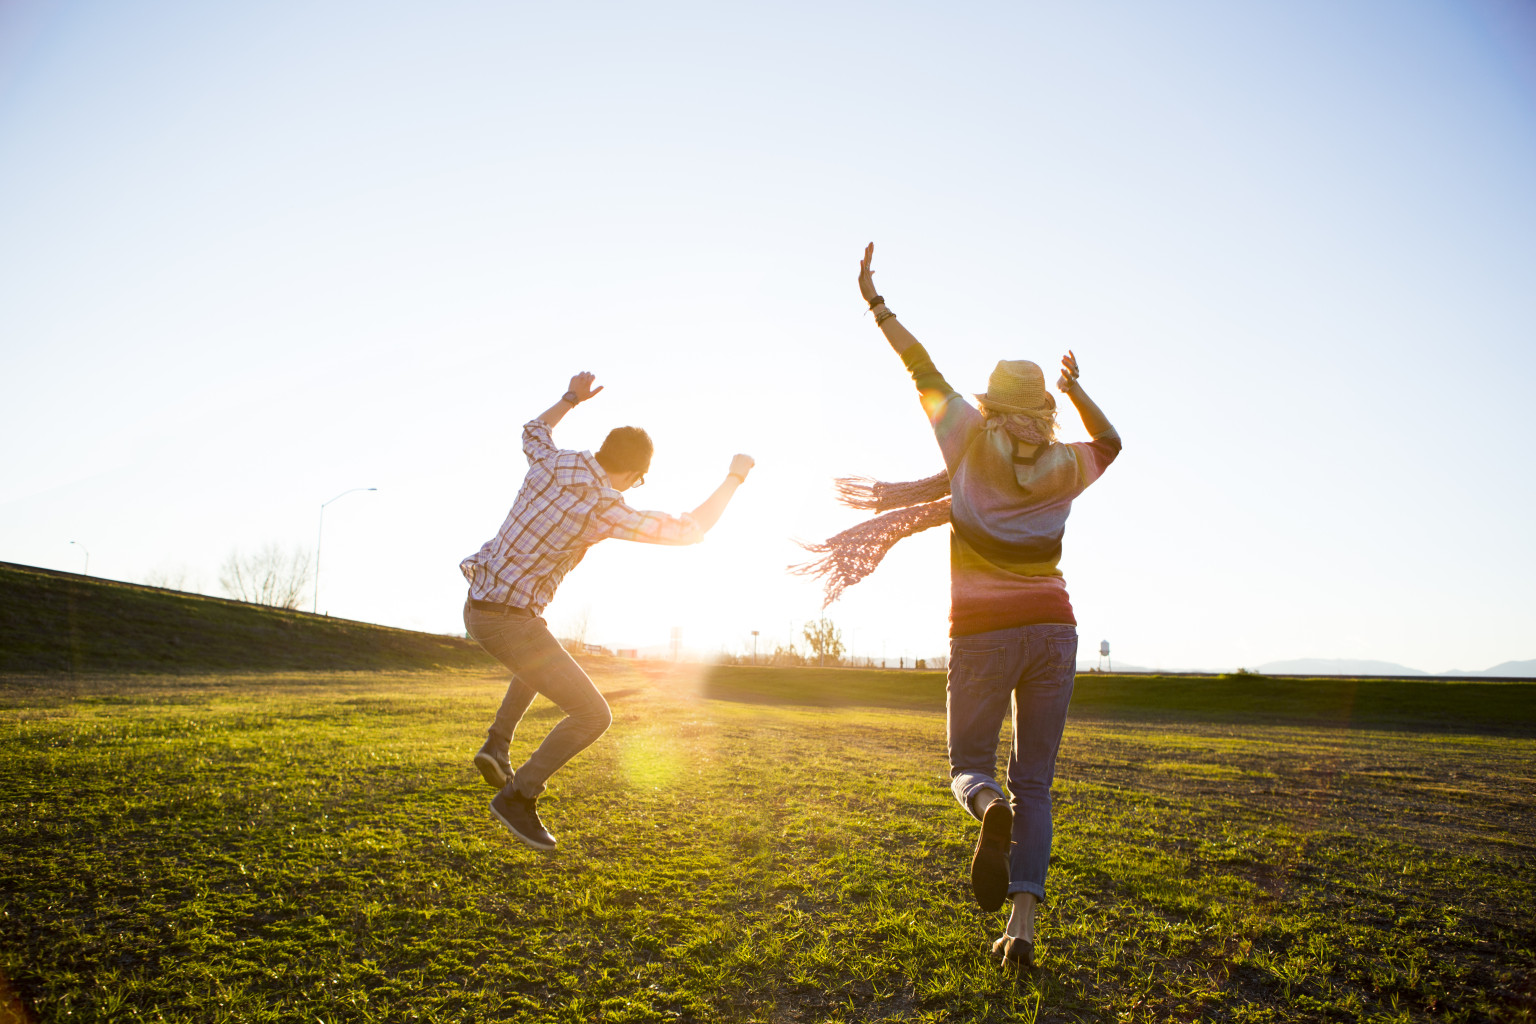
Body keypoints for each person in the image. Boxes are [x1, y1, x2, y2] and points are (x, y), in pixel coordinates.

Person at [799, 245, 1120, 969]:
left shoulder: (968, 435)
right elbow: (1112, 442)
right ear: (1041, 405)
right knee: (1036, 780)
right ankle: (1023, 928)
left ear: (991, 400)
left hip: (981, 632)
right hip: (1055, 630)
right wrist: (1075, 393)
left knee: (969, 765)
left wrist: (875, 302)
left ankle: (986, 808)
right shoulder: (1068, 461)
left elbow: (919, 366)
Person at [460, 371, 754, 851]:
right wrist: (734, 477)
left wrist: (571, 398)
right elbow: (688, 530)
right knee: (593, 714)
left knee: (541, 657)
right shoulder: (604, 505)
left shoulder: (551, 463)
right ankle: (518, 796)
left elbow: (532, 429)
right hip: (507, 619)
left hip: (479, 606)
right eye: (639, 482)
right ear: (635, 474)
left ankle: (497, 742)